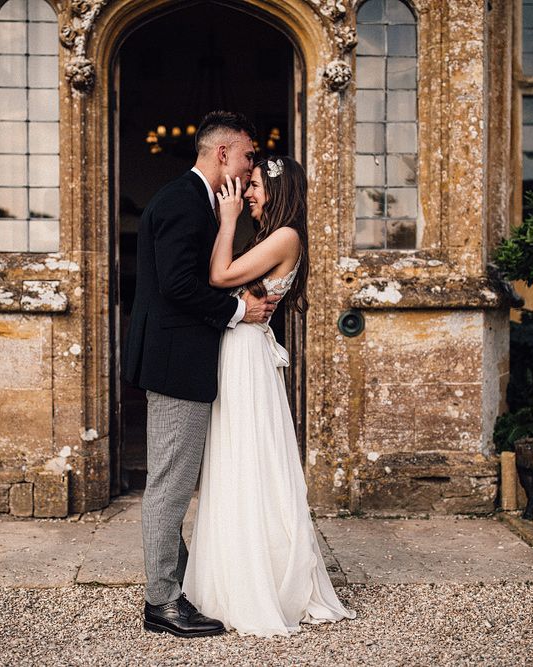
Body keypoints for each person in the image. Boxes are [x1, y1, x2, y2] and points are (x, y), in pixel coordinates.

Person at [182, 156, 356, 637]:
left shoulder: (285, 237)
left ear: (277, 191)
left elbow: (219, 276)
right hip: (242, 352)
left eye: (254, 185)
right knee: (237, 459)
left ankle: (260, 584)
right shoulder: (273, 238)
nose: (247, 191)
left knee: (247, 458)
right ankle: (235, 574)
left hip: (247, 358)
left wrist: (228, 218)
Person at [122, 111, 281, 638]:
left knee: (174, 482)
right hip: (174, 363)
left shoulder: (199, 203)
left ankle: (179, 584)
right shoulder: (181, 202)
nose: (250, 163)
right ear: (222, 154)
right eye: (247, 155)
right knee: (168, 486)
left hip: (184, 360)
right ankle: (161, 602)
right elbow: (176, 285)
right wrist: (238, 312)